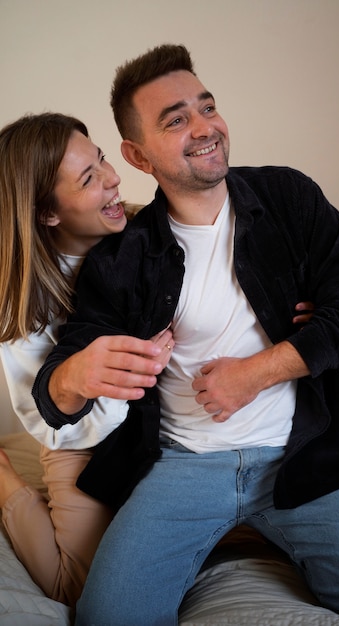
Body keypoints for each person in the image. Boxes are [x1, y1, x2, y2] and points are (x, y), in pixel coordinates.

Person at [33, 45, 339, 625]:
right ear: (137, 155)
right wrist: (72, 376)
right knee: (107, 618)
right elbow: (57, 386)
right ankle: (224, 534)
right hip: (182, 465)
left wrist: (259, 371)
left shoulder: (289, 197)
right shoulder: (122, 256)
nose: (205, 128)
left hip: (298, 458)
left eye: (206, 106)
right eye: (176, 119)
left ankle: (258, 531)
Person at [0, 112, 175, 607]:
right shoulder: (23, 301)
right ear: (47, 213)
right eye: (89, 178)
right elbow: (50, 425)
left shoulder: (152, 233)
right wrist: (122, 379)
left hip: (161, 421)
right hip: (77, 440)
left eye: (101, 159)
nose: (114, 178)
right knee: (77, 587)